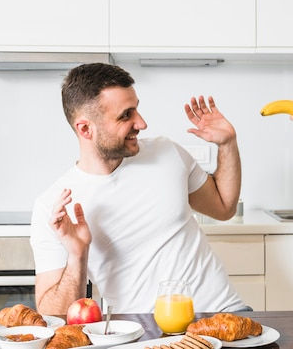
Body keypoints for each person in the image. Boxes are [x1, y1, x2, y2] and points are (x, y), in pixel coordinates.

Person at [30, 62, 247, 315]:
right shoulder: (53, 207)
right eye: (126, 115)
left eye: (137, 109)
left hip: (224, 313)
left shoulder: (168, 152)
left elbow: (223, 208)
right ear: (85, 128)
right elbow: (52, 316)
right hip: (143, 332)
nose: (141, 123)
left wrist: (228, 144)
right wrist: (77, 255)